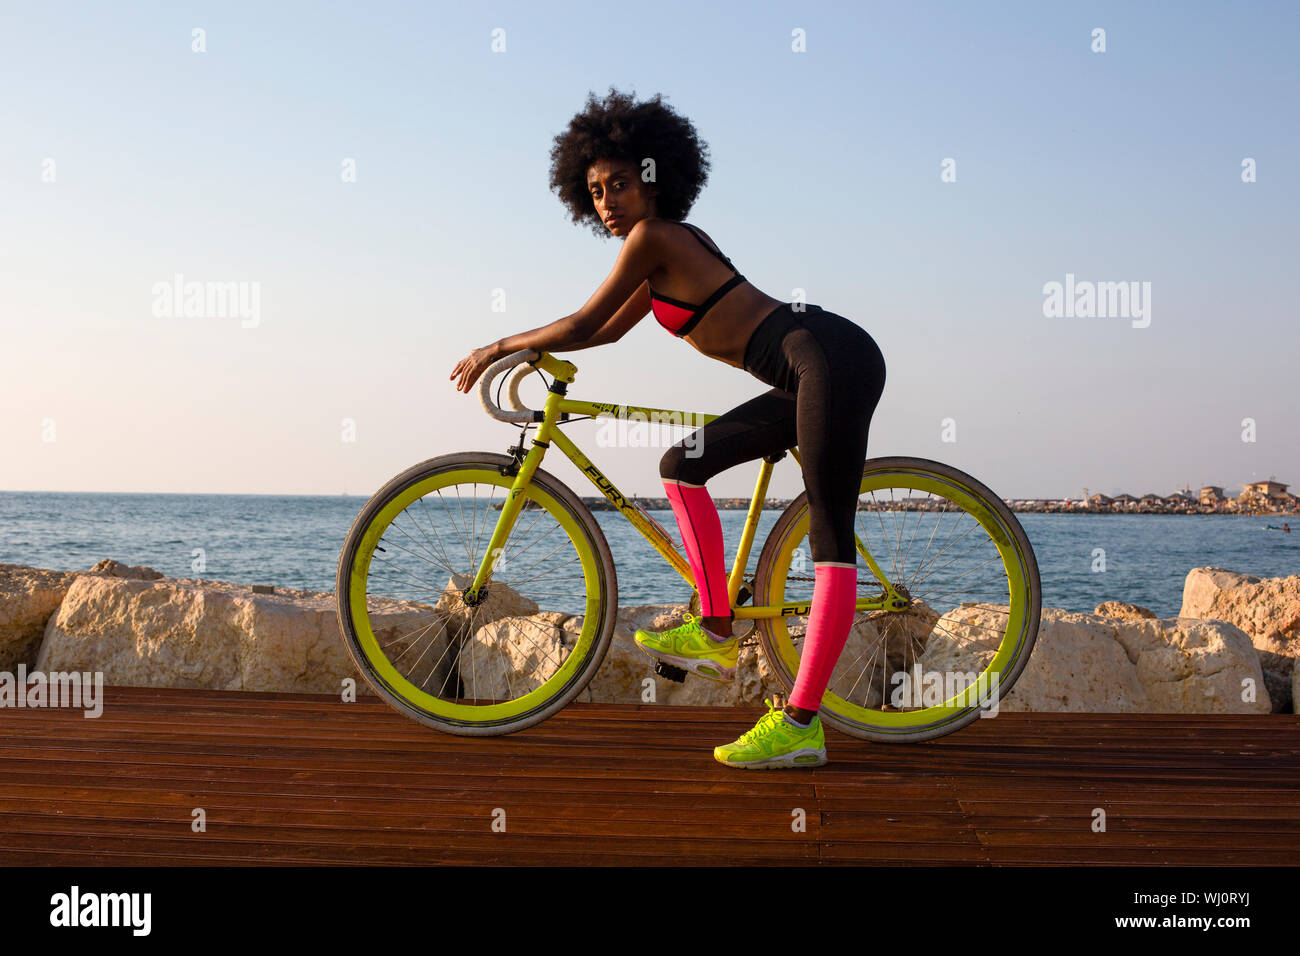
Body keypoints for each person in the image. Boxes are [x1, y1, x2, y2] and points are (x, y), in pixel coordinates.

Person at [450, 88, 886, 769]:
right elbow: (607, 333)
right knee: (684, 464)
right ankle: (715, 626)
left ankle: (801, 724)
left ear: (657, 178)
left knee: (830, 540)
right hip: (805, 371)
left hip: (831, 357)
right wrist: (541, 352)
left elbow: (584, 322)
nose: (607, 201)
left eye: (620, 183)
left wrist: (496, 346)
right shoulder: (656, 257)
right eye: (594, 191)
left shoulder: (657, 237)